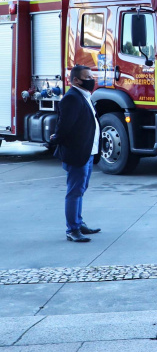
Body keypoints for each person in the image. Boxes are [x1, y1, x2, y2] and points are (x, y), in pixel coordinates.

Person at [49, 65, 102, 243]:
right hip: (77, 153)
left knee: (80, 189)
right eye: (88, 76)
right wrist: (56, 138)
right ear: (77, 80)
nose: (92, 79)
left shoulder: (84, 96)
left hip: (88, 151)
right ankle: (72, 229)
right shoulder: (72, 98)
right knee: (74, 191)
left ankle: (79, 223)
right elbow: (64, 126)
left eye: (92, 76)